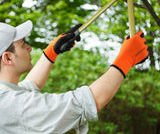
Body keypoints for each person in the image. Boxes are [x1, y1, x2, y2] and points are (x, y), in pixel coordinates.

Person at [0, 20, 148, 134]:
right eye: (22, 44)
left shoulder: (6, 95)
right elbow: (84, 103)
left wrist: (51, 52)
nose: (29, 48)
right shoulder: (11, 105)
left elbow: (30, 86)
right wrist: (125, 59)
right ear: (8, 58)